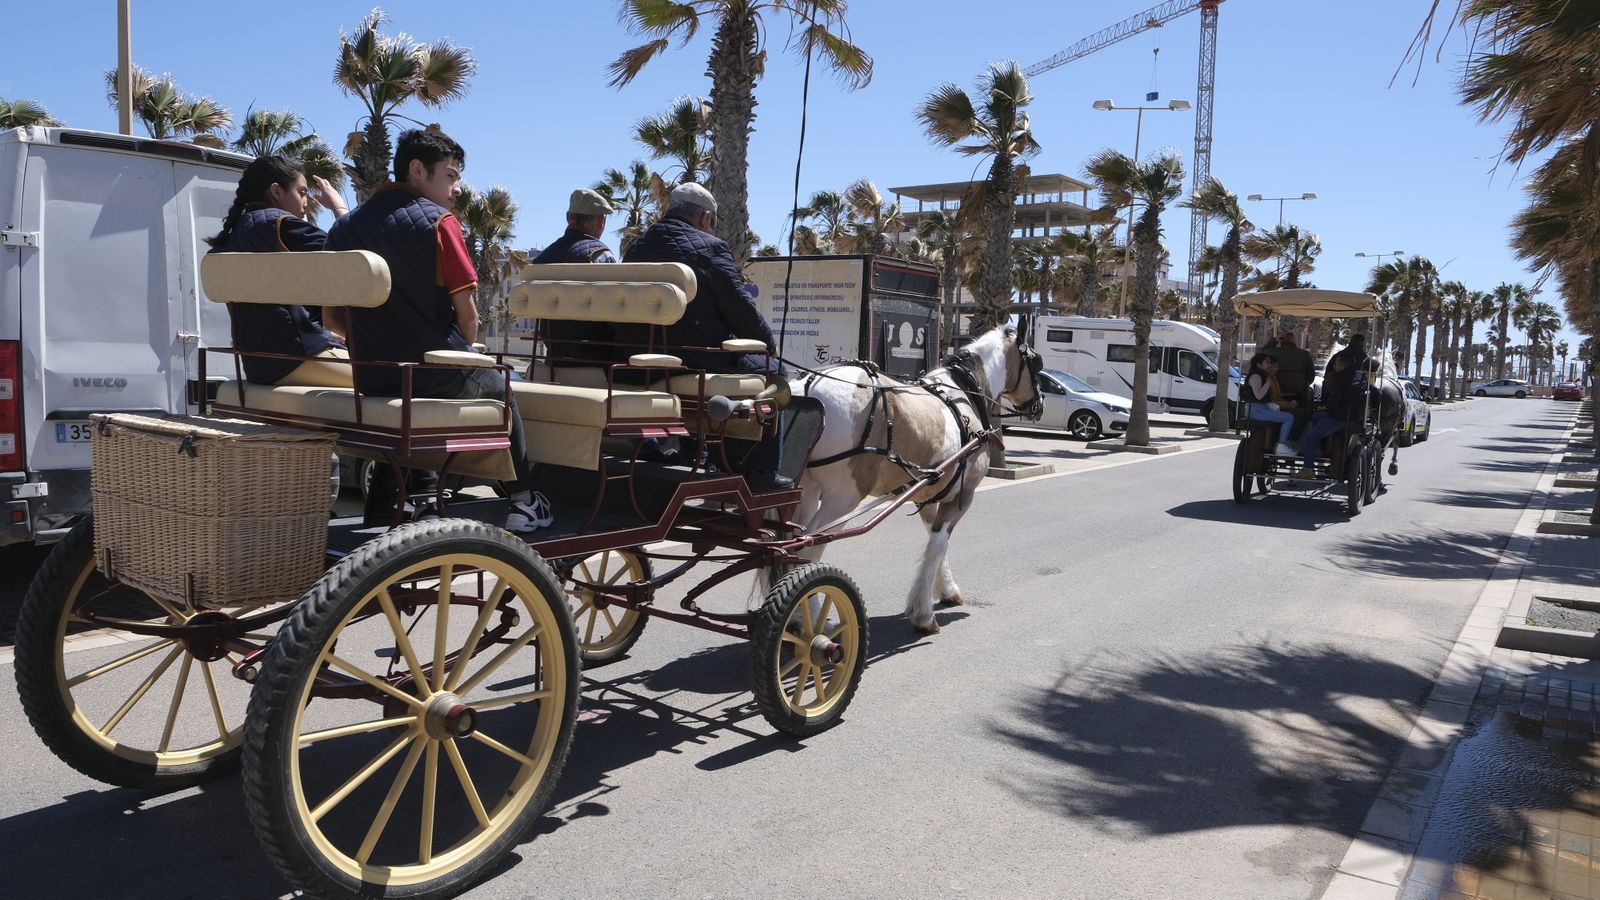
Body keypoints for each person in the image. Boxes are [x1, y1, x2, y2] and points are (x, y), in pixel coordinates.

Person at [325, 128, 552, 534]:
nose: (458, 188)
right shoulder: (438, 223)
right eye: (450, 175)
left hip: (372, 377)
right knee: (501, 382)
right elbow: (468, 318)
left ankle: (384, 512)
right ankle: (524, 499)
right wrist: (463, 352)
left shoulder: (343, 230)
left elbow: (333, 321)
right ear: (417, 170)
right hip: (432, 373)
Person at [620, 182, 804, 490]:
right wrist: (767, 345)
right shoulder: (710, 248)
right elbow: (740, 309)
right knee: (774, 372)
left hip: (639, 358)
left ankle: (694, 450)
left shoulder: (637, 248)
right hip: (692, 357)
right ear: (704, 217)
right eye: (711, 221)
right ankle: (762, 471)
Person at [206, 155, 351, 386]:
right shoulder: (280, 226)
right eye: (302, 192)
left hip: (257, 364)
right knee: (396, 383)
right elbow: (353, 254)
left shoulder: (232, 238)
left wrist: (321, 334)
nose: (307, 201)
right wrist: (338, 207)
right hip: (298, 356)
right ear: (276, 191)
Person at [532, 188, 618, 366]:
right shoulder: (601, 256)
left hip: (554, 358)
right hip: (596, 360)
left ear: (568, 217)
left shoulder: (542, 259)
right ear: (601, 220)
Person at [1295, 352, 1366, 477]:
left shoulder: (1339, 378)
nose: (1334, 367)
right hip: (1355, 418)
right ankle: (1318, 446)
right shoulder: (1361, 376)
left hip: (1339, 418)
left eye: (1336, 365)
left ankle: (1308, 468)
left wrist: (1325, 405)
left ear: (1342, 366)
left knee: (1311, 436)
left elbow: (1333, 403)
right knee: (1315, 417)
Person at [1243, 352, 1298, 456]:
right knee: (1289, 417)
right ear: (1259, 364)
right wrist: (1268, 381)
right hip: (1256, 410)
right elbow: (1258, 395)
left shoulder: (1261, 375)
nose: (1269, 365)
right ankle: (1281, 445)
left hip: (1259, 408)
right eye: (1266, 363)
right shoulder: (1256, 376)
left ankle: (1279, 441)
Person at [1263, 326, 1315, 406]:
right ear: (1294, 341)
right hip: (1298, 390)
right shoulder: (1304, 354)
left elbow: (1260, 353)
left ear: (1281, 341)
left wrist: (1274, 340)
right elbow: (1311, 376)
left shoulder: (1271, 352)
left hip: (1275, 389)